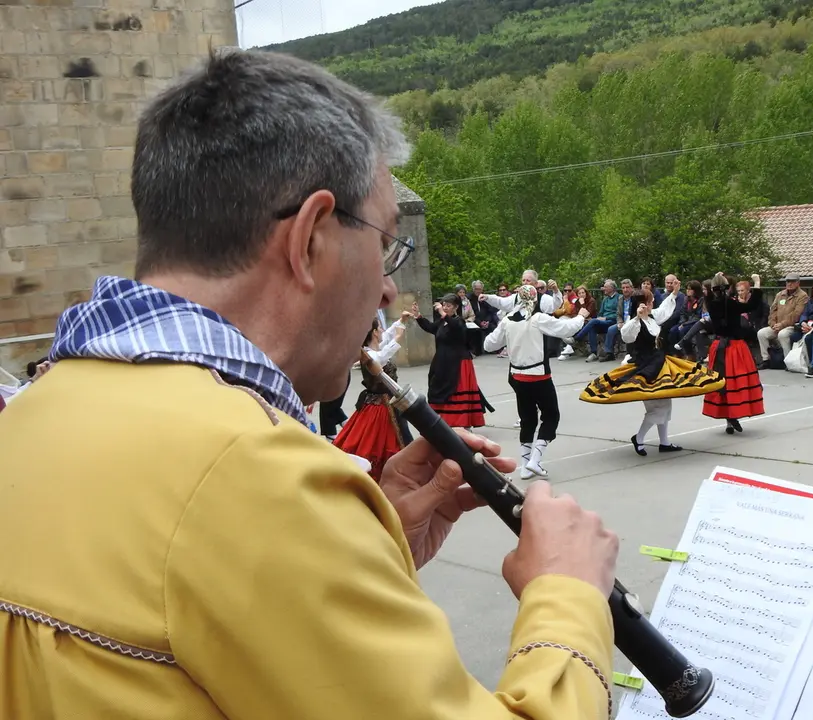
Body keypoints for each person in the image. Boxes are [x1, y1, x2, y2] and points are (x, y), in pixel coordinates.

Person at [0, 49, 620, 720]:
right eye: (385, 244)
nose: (386, 286)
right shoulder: (254, 475)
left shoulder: (36, 415)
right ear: (310, 238)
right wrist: (568, 594)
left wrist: (356, 554)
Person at [580, 289, 724, 454]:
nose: (652, 302)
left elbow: (664, 310)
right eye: (650, 301)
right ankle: (639, 438)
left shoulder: (652, 317)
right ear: (642, 303)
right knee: (657, 408)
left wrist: (674, 294)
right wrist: (637, 317)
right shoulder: (634, 323)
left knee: (665, 405)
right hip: (645, 368)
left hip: (660, 364)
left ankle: (664, 442)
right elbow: (626, 335)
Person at [483, 285, 590, 479]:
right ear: (534, 299)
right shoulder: (538, 319)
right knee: (551, 416)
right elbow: (567, 328)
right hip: (539, 375)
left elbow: (489, 344)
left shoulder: (507, 321)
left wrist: (509, 338)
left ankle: (525, 465)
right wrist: (581, 315)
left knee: (527, 419)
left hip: (517, 376)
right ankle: (535, 460)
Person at [334, 313, 415, 482]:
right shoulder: (370, 355)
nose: (382, 331)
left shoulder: (372, 349)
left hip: (384, 402)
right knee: (378, 442)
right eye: (379, 328)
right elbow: (381, 358)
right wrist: (398, 338)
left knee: (396, 435)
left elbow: (387, 337)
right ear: (374, 332)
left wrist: (402, 321)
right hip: (380, 405)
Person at [413, 294, 494, 428]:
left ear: (456, 307)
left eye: (448, 306)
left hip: (457, 362)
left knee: (455, 390)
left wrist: (442, 313)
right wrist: (418, 316)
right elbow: (431, 327)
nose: (445, 308)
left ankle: (462, 422)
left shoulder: (458, 321)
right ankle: (443, 420)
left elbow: (455, 327)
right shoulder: (442, 322)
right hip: (443, 360)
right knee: (438, 388)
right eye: (444, 305)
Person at [701, 272, 766, 434]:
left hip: (718, 346)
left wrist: (717, 279)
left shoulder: (710, 303)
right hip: (735, 347)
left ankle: (729, 420)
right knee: (737, 382)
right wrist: (756, 284)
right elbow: (751, 305)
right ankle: (732, 417)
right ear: (728, 288)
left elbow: (711, 293)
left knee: (723, 382)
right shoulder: (732, 303)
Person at [757, 273, 807, 369]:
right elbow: (773, 310)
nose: (789, 284)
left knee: (783, 334)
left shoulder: (802, 296)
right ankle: (766, 360)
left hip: (791, 326)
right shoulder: (780, 294)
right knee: (761, 333)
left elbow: (796, 314)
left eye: (792, 281)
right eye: (788, 281)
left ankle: (788, 362)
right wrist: (773, 324)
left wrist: (782, 324)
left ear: (798, 283)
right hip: (776, 325)